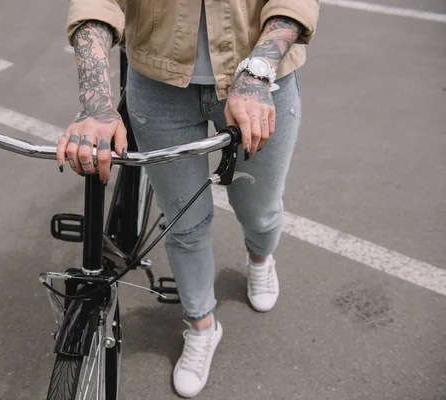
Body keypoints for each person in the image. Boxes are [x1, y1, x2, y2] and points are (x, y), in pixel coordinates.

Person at [57, 0, 320, 397]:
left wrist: (256, 71)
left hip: (262, 81)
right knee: (184, 222)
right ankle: (202, 325)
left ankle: (260, 259)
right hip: (159, 87)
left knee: (260, 210)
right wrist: (95, 102)